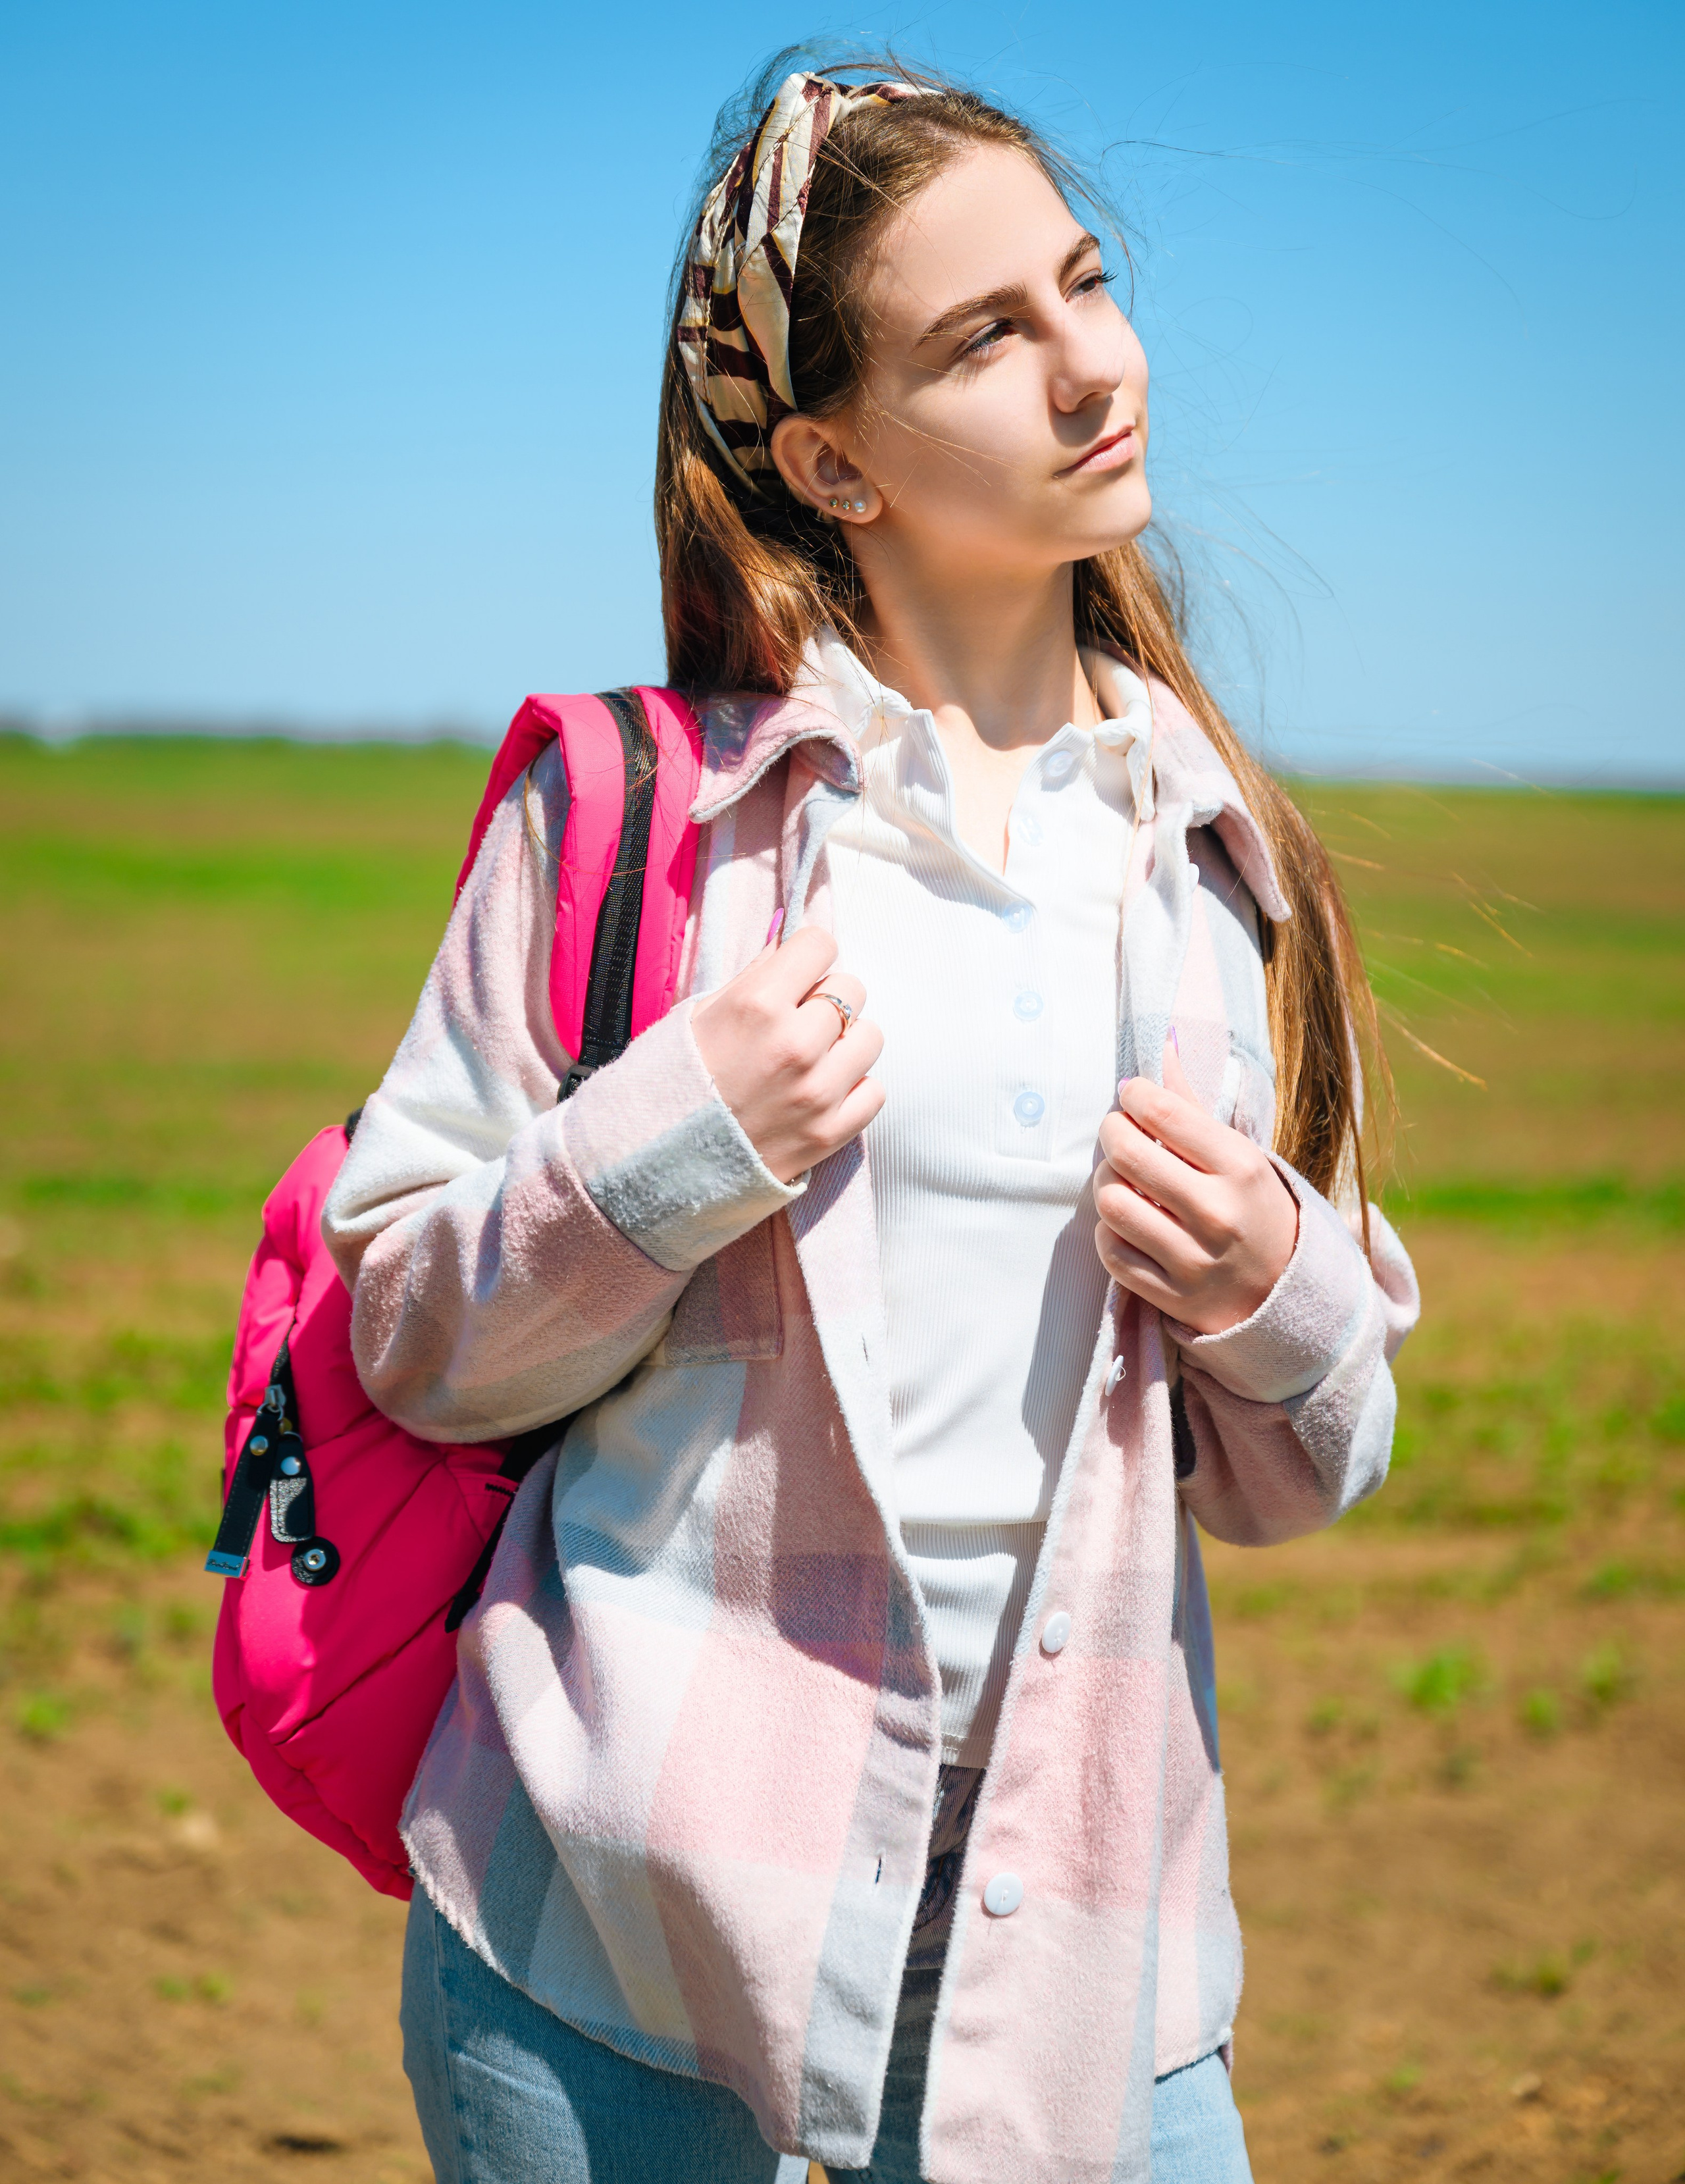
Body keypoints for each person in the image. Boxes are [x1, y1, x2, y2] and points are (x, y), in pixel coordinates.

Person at [323, 54, 1420, 2184]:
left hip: (1092, 1986)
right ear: (830, 459)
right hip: (619, 1953)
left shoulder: (1224, 873)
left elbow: (1312, 1475)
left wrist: (1280, 1297)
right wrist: (665, 1152)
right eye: (986, 334)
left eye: (1084, 283)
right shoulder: (638, 820)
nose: (1089, 360)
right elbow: (409, 1344)